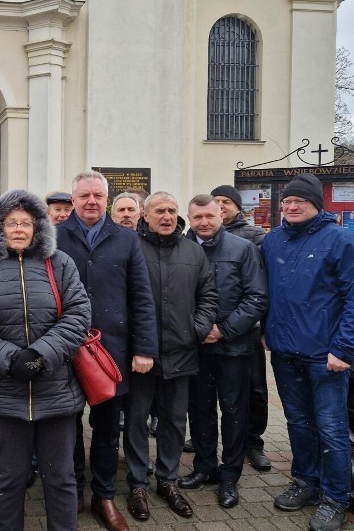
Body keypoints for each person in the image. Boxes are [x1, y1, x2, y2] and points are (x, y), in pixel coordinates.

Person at [0, 189, 91, 531]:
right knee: (7, 481)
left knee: (60, 480)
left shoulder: (59, 263)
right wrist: (10, 359)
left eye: (26, 223)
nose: (18, 229)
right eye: (11, 222)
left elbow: (78, 315)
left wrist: (39, 355)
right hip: (4, 393)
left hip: (56, 391)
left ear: (38, 227)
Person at [263, 174, 354, 531]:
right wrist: (268, 331)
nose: (292, 207)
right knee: (297, 423)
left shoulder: (341, 240)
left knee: (330, 428)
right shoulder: (272, 241)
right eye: (287, 201)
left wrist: (344, 349)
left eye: (301, 201)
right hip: (284, 353)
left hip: (325, 356)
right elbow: (266, 291)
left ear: (317, 204)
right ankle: (306, 483)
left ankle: (335, 499)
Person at [56, 171, 157, 531]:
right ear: (73, 200)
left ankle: (104, 494)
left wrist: (144, 348)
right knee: (65, 427)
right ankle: (71, 492)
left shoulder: (126, 240)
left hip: (111, 350)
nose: (92, 202)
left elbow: (142, 297)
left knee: (106, 429)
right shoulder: (53, 237)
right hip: (64, 349)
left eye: (99, 195)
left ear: (108, 200)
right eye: (84, 196)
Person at [127, 192, 218, 521]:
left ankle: (167, 480)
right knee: (136, 420)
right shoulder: (131, 247)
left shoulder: (193, 251)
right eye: (159, 211)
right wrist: (135, 343)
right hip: (141, 355)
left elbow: (208, 294)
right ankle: (138, 482)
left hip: (182, 352)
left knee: (174, 421)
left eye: (172, 211)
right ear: (145, 215)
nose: (166, 216)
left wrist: (195, 329)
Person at [179, 195, 268, 508]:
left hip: (234, 346)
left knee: (233, 411)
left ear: (221, 215)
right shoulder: (181, 248)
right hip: (195, 348)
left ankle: (230, 475)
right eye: (197, 217)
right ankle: (204, 467)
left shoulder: (242, 249)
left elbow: (257, 297)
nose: (204, 222)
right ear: (188, 217)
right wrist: (195, 330)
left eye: (209, 216)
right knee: (199, 409)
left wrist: (224, 329)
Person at [211, 184, 271, 472]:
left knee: (254, 390)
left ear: (237, 207)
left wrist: (261, 327)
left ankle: (253, 442)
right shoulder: (197, 235)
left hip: (246, 329)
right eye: (216, 201)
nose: (220, 205)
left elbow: (260, 286)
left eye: (226, 201)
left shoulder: (254, 236)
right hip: (210, 332)